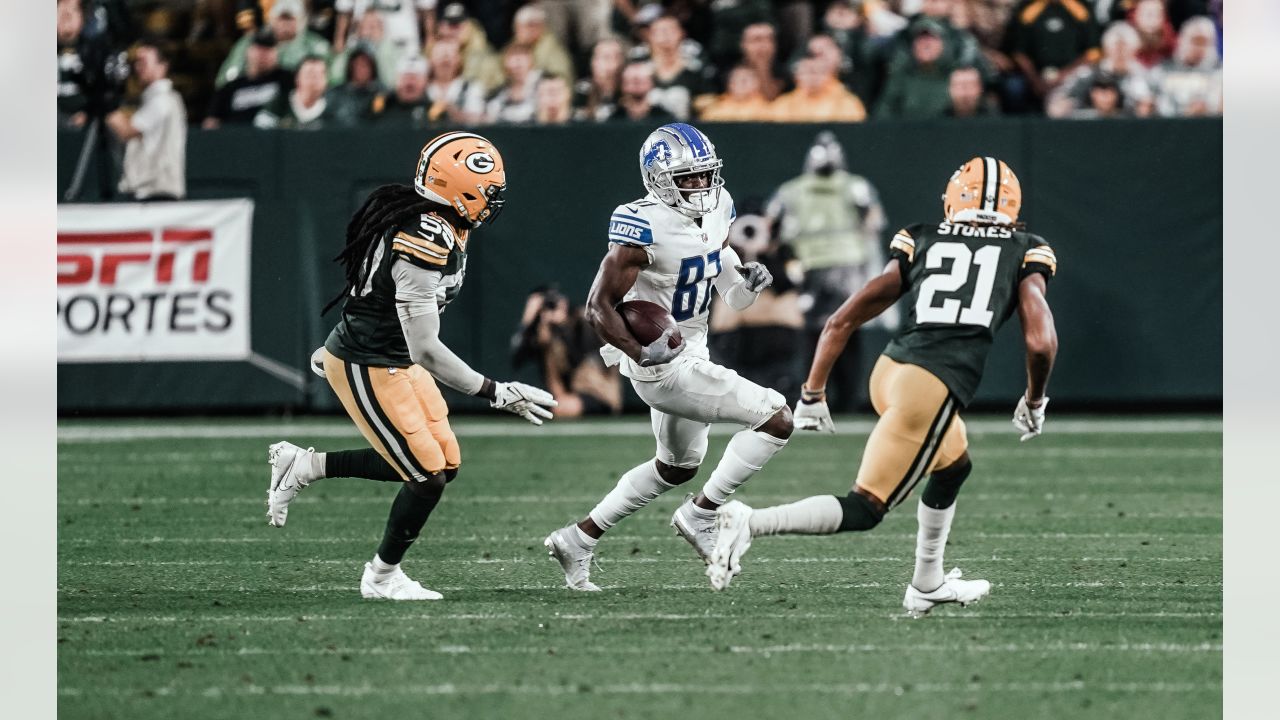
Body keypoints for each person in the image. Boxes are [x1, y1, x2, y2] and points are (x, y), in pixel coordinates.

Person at [705, 157, 1060, 621]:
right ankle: (750, 522)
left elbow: (843, 318)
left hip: (891, 371)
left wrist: (813, 391)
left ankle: (927, 584)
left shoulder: (924, 236)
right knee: (866, 507)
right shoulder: (1026, 248)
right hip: (931, 385)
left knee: (953, 466)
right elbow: (1040, 339)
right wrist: (1034, 398)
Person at [266, 132, 558, 601]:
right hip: (371, 362)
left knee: (445, 463)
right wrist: (496, 392)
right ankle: (381, 577)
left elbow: (380, 300)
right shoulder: (422, 235)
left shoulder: (438, 220)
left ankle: (303, 466)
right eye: (486, 191)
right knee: (426, 476)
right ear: (457, 189)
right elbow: (426, 348)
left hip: (391, 356)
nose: (493, 200)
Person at [543, 123, 794, 591]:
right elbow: (597, 307)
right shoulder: (642, 224)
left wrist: (746, 285)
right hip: (660, 358)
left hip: (692, 343)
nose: (701, 186)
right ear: (658, 178)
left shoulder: (720, 205)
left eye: (705, 175)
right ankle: (702, 514)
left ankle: (578, 538)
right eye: (688, 177)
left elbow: (731, 295)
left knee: (677, 465)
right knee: (777, 418)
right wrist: (641, 351)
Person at [766, 132, 887, 413]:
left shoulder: (791, 190)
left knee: (814, 333)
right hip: (847, 266)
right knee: (846, 330)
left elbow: (769, 225)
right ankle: (846, 399)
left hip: (810, 268)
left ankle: (815, 395)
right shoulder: (855, 186)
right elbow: (874, 221)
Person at [510, 287, 623, 417]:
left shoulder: (581, 319)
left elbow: (583, 356)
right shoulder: (543, 332)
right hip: (564, 396)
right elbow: (516, 359)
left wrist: (563, 327)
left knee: (561, 408)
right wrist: (527, 320)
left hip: (598, 392)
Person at [106, 41, 186, 201]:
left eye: (144, 62)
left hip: (158, 192)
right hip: (149, 192)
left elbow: (127, 131)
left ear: (162, 66)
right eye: (136, 63)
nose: (138, 68)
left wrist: (103, 105)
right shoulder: (153, 99)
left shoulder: (164, 99)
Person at [204, 28, 294, 128]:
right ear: (249, 51)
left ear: (276, 53)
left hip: (273, 139)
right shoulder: (230, 87)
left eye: (268, 49)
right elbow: (210, 123)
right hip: (236, 139)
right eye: (259, 48)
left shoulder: (288, 80)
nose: (263, 54)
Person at [1151, 16, 1222, 117]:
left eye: (1204, 43)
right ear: (1181, 39)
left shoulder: (1220, 73)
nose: (1199, 48)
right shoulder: (1162, 70)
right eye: (1195, 41)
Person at [769, 57, 867, 123]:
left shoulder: (847, 103)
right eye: (807, 72)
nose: (812, 78)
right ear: (797, 77)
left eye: (818, 72)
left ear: (829, 76)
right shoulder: (783, 104)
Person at [254, 55, 334, 129]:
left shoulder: (334, 111)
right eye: (310, 73)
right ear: (297, 78)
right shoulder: (277, 106)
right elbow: (261, 135)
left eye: (320, 74)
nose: (315, 79)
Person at [699, 65, 773, 122]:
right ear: (730, 84)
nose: (742, 84)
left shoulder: (768, 110)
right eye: (737, 80)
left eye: (745, 80)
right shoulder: (714, 110)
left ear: (758, 83)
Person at [607, 61, 674, 122]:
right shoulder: (614, 120)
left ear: (652, 83)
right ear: (622, 84)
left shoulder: (664, 119)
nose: (636, 78)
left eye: (641, 80)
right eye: (632, 80)